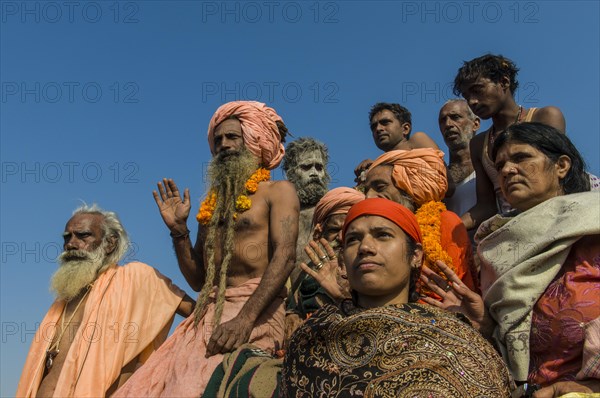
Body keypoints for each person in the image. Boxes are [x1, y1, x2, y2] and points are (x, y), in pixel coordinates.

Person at [114, 101, 299, 398]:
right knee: (141, 388)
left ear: (254, 140)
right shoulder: (210, 207)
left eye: (232, 137)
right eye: (218, 140)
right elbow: (200, 280)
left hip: (256, 312)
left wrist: (243, 321)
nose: (223, 145)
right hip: (207, 314)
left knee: (191, 388)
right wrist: (178, 232)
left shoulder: (279, 192)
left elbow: (285, 256)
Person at [422, 123, 599, 397]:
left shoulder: (594, 220)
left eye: (521, 158)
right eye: (501, 164)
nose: (506, 170)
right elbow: (512, 339)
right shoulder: (494, 244)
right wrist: (486, 324)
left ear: (561, 166)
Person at [282, 198, 512, 397]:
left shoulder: (453, 337)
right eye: (352, 239)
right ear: (343, 261)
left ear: (415, 256)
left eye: (383, 235)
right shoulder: (313, 337)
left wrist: (485, 327)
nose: (365, 247)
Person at [16, 205, 193, 398]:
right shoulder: (64, 300)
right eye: (67, 237)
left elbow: (197, 311)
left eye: (83, 236)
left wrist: (179, 232)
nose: (71, 244)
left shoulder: (136, 278)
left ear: (110, 243)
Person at [453, 54, 567, 230]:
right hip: (510, 228)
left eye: (478, 90)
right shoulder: (478, 144)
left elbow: (559, 180)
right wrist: (449, 228)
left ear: (504, 82)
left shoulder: (544, 117)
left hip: (552, 220)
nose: (472, 101)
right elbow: (486, 206)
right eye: (467, 96)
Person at [364, 148, 478, 295]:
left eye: (380, 187)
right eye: (366, 190)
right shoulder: (373, 234)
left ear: (407, 186)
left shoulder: (445, 222)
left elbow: (448, 290)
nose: (368, 197)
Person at [285, 187, 365, 337]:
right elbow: (293, 309)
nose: (341, 238)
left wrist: (344, 297)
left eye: (349, 230)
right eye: (334, 230)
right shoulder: (310, 271)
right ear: (319, 234)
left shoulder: (368, 268)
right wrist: (292, 317)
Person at [282, 137, 330, 287]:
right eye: (306, 167)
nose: (314, 173)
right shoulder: (280, 214)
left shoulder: (334, 211)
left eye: (319, 167)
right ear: (290, 173)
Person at [354, 102, 439, 185]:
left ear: (405, 129)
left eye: (385, 122)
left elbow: (442, 178)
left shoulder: (417, 140)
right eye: (373, 127)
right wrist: (369, 175)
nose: (378, 129)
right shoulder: (379, 165)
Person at [438, 99, 480, 216]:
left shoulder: (490, 163)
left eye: (455, 117)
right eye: (442, 120)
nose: (448, 124)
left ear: (475, 124)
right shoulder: (439, 176)